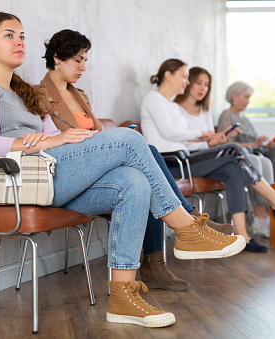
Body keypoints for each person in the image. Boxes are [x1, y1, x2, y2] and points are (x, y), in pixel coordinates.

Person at [0, 12, 246, 328]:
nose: (19, 42)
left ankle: (123, 297)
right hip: (9, 180)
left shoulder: (24, 91)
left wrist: (63, 139)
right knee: (130, 139)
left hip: (46, 176)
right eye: (9, 35)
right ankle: (186, 230)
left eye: (22, 36)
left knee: (134, 181)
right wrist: (41, 143)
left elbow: (52, 138)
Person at [36, 29, 233, 293]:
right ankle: (188, 223)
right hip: (72, 173)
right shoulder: (38, 94)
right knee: (146, 155)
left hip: (96, 165)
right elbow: (52, 143)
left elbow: (95, 136)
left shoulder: (80, 94)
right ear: (58, 57)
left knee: (145, 160)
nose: (83, 66)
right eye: (78, 60)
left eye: (85, 60)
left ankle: (158, 261)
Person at [141, 59, 275, 252]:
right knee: (234, 149)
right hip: (170, 163)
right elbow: (170, 133)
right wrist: (204, 135)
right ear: (168, 75)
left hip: (183, 157)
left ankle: (243, 236)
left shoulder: (170, 106)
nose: (187, 82)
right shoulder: (153, 99)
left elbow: (182, 139)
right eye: (185, 77)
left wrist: (208, 141)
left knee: (233, 169)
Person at [175, 67, 274, 237]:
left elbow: (209, 141)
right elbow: (181, 140)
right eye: (198, 83)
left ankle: (243, 235)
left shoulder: (205, 110)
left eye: (206, 85)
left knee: (237, 168)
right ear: (187, 82)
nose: (202, 88)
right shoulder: (174, 109)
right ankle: (274, 202)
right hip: (186, 160)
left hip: (204, 156)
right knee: (236, 149)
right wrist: (210, 140)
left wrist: (218, 138)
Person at [218, 81, 275, 183]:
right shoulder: (227, 115)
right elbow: (227, 144)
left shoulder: (244, 118)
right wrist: (254, 144)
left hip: (258, 150)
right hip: (247, 153)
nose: (248, 102)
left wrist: (267, 145)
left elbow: (256, 142)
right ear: (234, 96)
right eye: (246, 97)